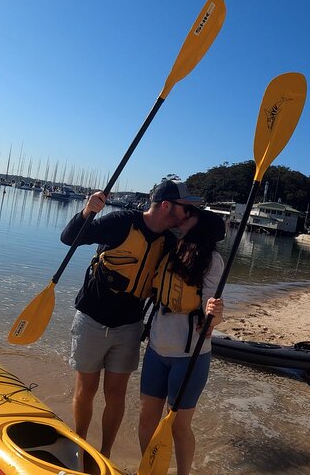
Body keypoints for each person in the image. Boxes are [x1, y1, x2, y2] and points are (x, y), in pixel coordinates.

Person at [60, 179, 201, 458]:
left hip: (129, 327)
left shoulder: (171, 243)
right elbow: (69, 238)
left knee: (116, 395)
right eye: (184, 207)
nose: (186, 213)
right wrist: (88, 211)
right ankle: (80, 446)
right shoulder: (121, 221)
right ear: (166, 205)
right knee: (85, 389)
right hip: (91, 318)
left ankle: (105, 454)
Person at [138, 208, 226, 475]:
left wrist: (216, 314)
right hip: (156, 348)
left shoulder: (213, 260)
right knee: (147, 418)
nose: (185, 215)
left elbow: (214, 318)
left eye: (192, 214)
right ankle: (151, 469)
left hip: (190, 356)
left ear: (203, 225)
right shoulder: (172, 250)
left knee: (178, 425)